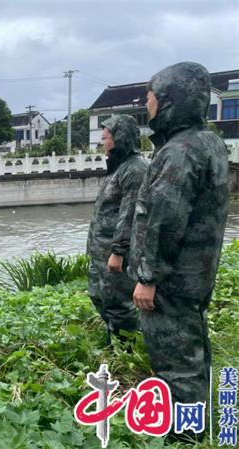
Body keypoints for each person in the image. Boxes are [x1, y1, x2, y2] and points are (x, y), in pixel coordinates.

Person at [129, 62, 229, 440]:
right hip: (196, 272)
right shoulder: (209, 142)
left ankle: (186, 437)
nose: (148, 106)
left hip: (172, 279)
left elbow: (165, 221)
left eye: (151, 98)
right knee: (193, 350)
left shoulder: (179, 152)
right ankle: (197, 424)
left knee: (175, 363)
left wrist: (148, 278)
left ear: (168, 102)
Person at [87, 114, 148, 345]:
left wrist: (119, 251)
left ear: (120, 138)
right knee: (98, 295)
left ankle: (125, 349)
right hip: (101, 251)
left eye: (106, 137)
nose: (103, 142)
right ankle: (115, 338)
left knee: (119, 303)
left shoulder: (135, 169)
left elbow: (130, 213)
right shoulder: (117, 167)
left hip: (117, 255)